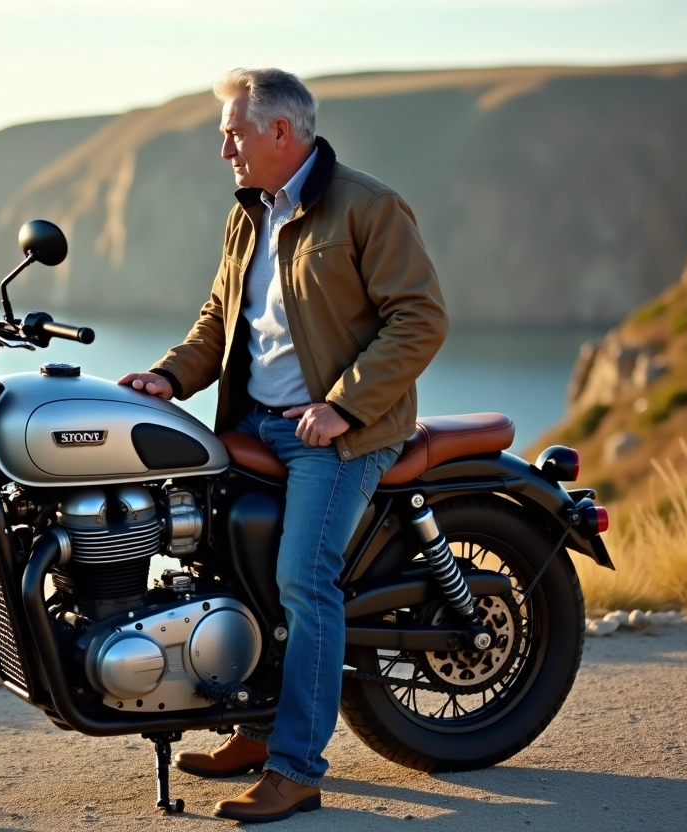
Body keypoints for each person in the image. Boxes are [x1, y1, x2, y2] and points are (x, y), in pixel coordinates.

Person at [118, 67, 449, 823]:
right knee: (231, 567)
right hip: (255, 424)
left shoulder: (367, 207)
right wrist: (171, 376)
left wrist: (344, 406)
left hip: (337, 433)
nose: (223, 147)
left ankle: (297, 769)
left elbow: (420, 319)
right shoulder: (250, 214)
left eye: (233, 131)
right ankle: (256, 731)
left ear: (280, 131)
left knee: (304, 580)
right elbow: (219, 317)